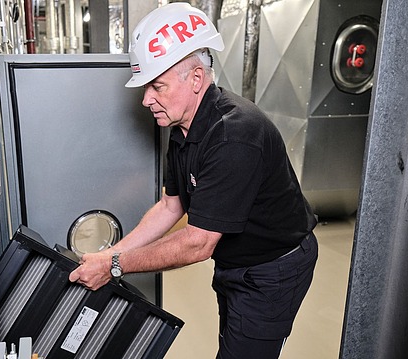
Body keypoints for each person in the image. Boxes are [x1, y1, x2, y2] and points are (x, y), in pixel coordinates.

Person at [69, 3, 318, 358]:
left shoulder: (234, 136)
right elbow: (171, 206)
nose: (146, 99)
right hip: (236, 262)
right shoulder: (185, 127)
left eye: (157, 86)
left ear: (196, 79)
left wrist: (114, 266)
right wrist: (112, 252)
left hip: (272, 269)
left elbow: (197, 243)